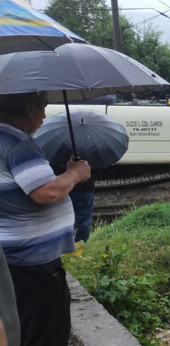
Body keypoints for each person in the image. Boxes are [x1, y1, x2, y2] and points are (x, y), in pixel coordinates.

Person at [0, 91, 91, 346]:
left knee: (19, 328)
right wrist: (74, 174)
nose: (43, 116)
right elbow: (46, 192)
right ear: (29, 108)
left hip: (9, 256)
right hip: (32, 263)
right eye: (43, 108)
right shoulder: (18, 144)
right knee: (45, 332)